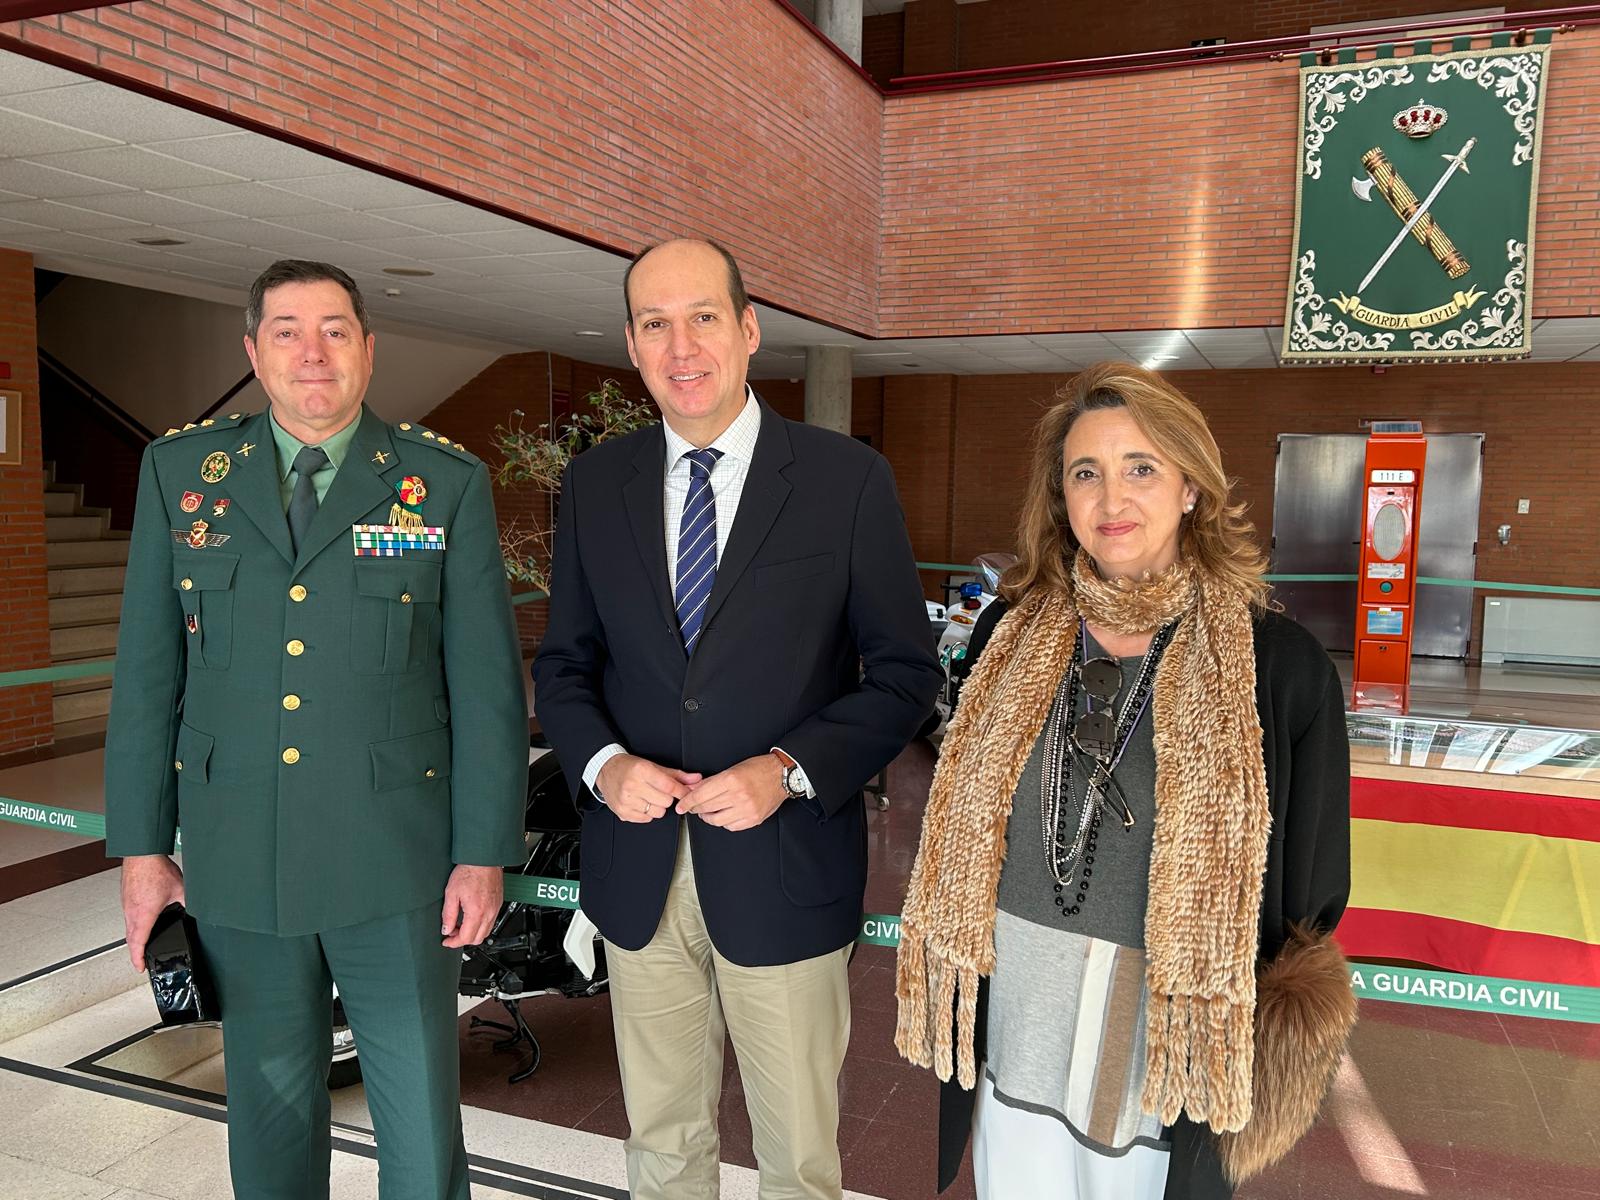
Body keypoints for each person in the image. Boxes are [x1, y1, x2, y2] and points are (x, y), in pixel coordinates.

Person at [105, 259, 528, 1200]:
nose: (313, 352)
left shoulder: (440, 482)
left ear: (369, 352)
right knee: (267, 1119)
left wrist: (483, 852)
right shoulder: (182, 475)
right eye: (288, 330)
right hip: (238, 862)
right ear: (252, 351)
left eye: (336, 330)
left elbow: (487, 688)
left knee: (419, 1123)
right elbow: (146, 675)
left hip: (398, 864)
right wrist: (142, 853)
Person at [533, 237, 941, 1199]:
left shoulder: (845, 482)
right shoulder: (597, 485)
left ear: (749, 330)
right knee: (663, 1142)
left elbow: (904, 673)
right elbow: (563, 666)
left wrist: (788, 768)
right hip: (639, 873)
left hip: (785, 863)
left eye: (703, 316)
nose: (682, 344)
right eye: (654, 323)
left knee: (797, 1156)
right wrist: (602, 766)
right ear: (632, 346)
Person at [895, 362, 1356, 1200]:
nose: (1112, 499)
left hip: (1161, 1042)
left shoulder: (1278, 667)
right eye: (1086, 473)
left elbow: (1312, 894)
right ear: (1061, 499)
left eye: (1141, 467)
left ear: (1190, 488)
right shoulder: (1008, 630)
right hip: (1018, 1010)